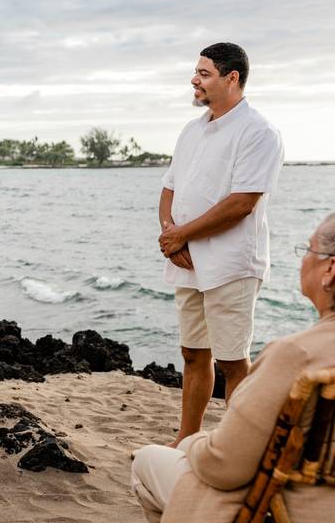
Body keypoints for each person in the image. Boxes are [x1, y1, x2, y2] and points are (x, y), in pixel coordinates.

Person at [132, 213, 335, 522]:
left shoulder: (297, 355)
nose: (302, 259)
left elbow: (224, 466)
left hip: (293, 512)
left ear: (330, 270)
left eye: (307, 250)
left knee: (148, 461)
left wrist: (191, 442)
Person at [157, 42, 284, 445]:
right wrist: (169, 234)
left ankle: (235, 448)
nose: (195, 80)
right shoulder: (192, 130)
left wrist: (182, 233)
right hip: (186, 260)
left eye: (205, 73)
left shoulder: (259, 131)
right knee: (193, 354)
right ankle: (186, 441)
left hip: (231, 264)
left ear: (233, 78)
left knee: (232, 361)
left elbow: (242, 203)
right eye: (195, 72)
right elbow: (169, 188)